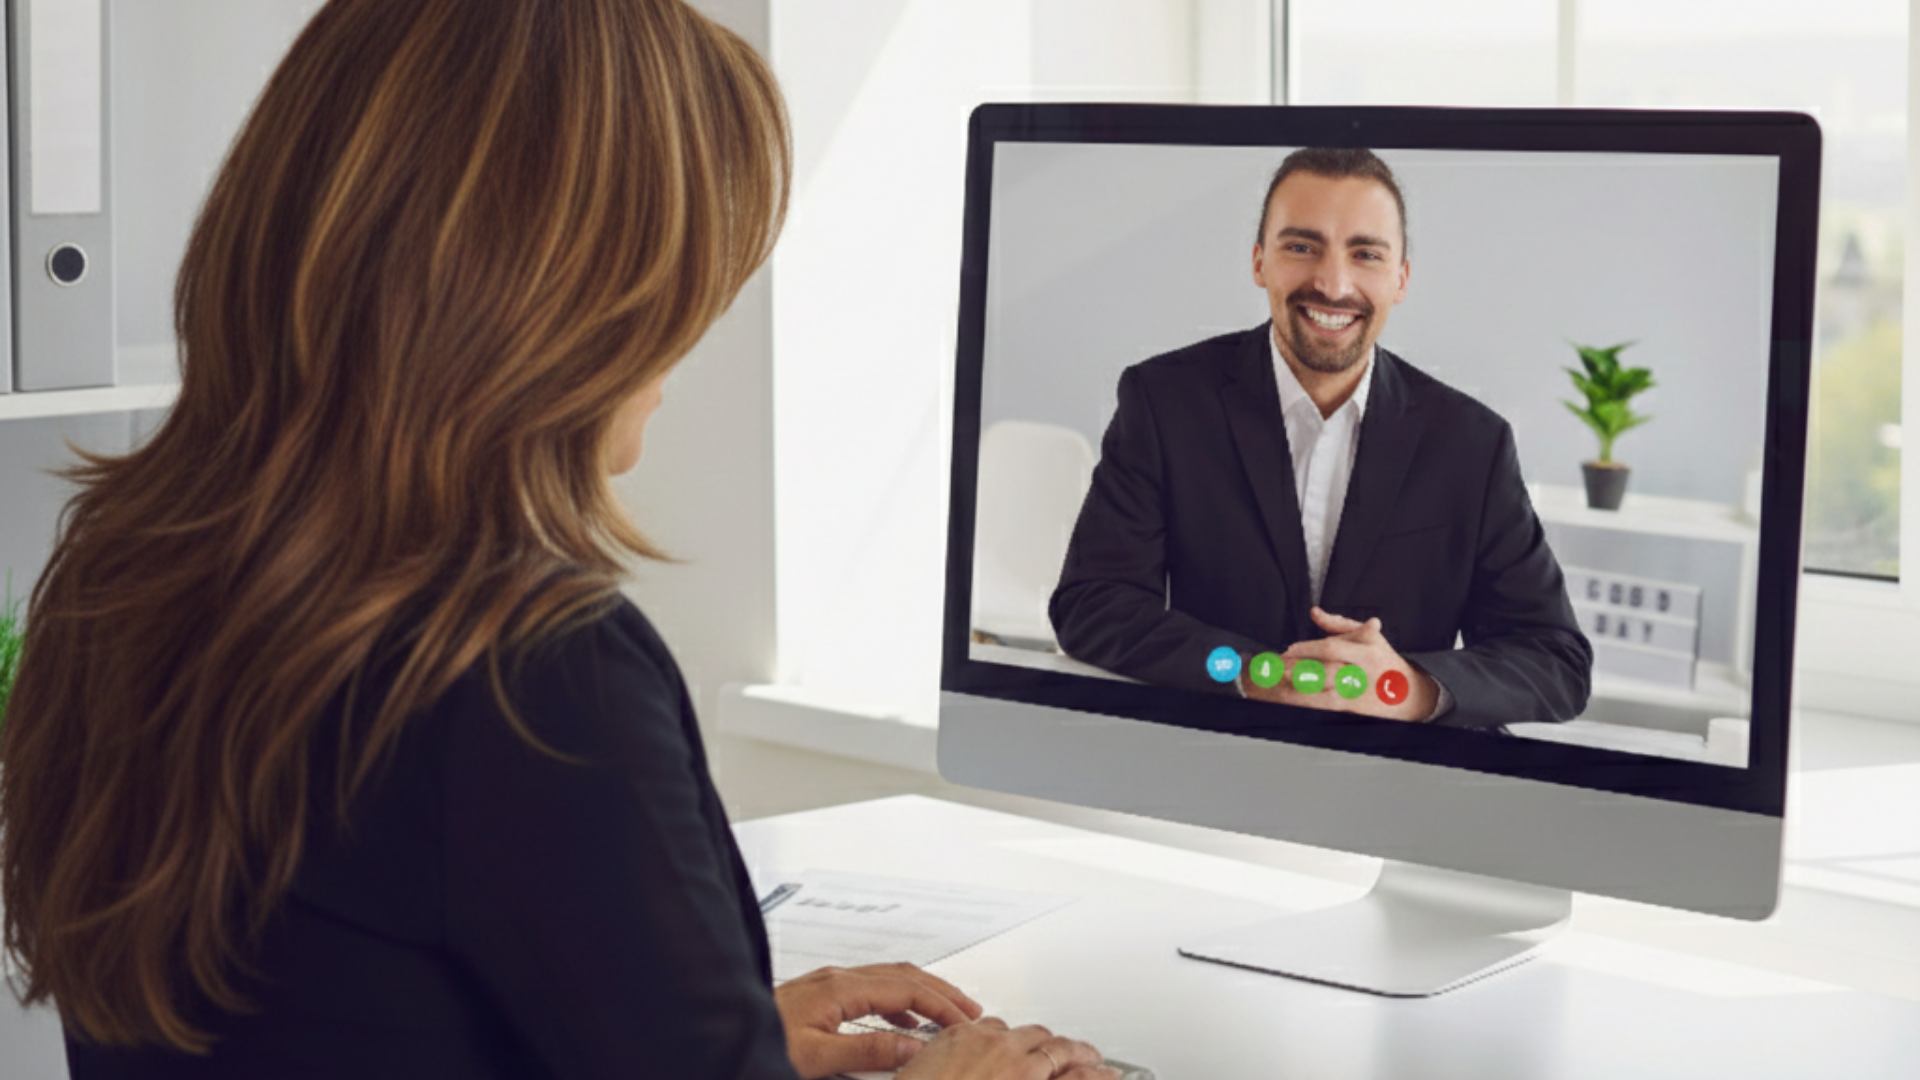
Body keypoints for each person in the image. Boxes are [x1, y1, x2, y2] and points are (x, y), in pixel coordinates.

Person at [0, 3, 1113, 1078]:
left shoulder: (119, 576)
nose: (687, 336)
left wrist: (704, 1034)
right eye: (678, 282)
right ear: (556, 295)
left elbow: (339, 1012)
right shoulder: (527, 669)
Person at [1049, 148, 1590, 731]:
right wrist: (1249, 671)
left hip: (1396, 780)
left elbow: (1555, 659)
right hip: (1214, 755)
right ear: (1260, 262)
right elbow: (1093, 603)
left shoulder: (1472, 444)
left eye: (1366, 254)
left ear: (1401, 277)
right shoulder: (1163, 401)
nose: (1334, 284)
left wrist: (1404, 688)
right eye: (1301, 247)